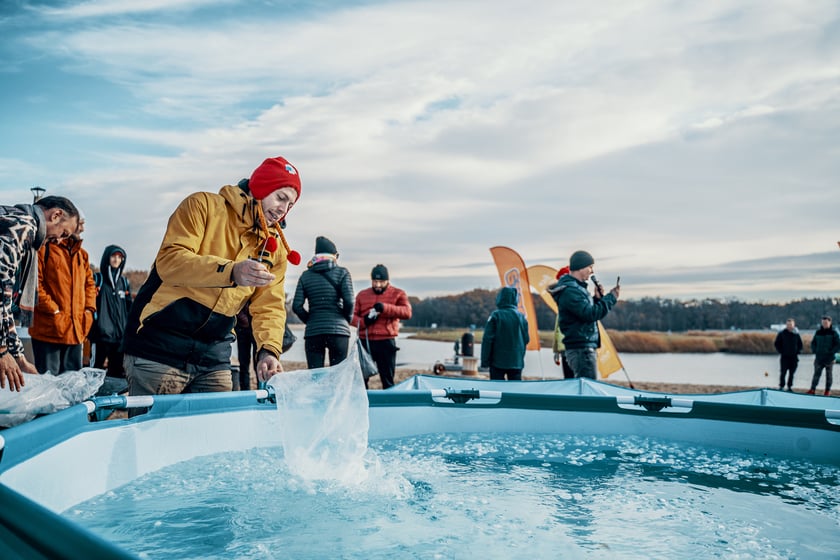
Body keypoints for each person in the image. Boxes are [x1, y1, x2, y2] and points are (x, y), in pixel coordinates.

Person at [122, 155, 302, 399]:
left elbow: (269, 305)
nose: (284, 209)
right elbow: (170, 261)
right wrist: (231, 271)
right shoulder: (203, 205)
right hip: (159, 346)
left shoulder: (274, 248)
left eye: (290, 205)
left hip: (214, 355)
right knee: (152, 432)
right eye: (281, 197)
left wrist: (268, 350)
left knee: (214, 431)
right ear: (260, 187)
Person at [0, 196, 80, 391]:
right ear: (56, 215)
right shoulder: (24, 226)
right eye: (64, 232)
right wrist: (2, 351)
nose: (60, 239)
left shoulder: (15, 218)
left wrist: (18, 356)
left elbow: (5, 303)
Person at [28, 209, 96, 375]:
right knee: (48, 386)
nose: (83, 229)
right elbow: (35, 285)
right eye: (80, 224)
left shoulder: (82, 255)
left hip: (76, 331)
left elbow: (90, 285)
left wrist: (88, 312)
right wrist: (55, 311)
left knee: (72, 388)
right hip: (48, 331)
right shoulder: (45, 249)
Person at [547, 250, 619, 379]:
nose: (592, 271)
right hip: (581, 348)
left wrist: (597, 299)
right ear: (581, 267)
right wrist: (611, 298)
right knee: (587, 390)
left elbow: (584, 313)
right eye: (590, 267)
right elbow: (590, 314)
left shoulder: (575, 290)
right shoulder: (571, 291)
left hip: (581, 347)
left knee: (581, 388)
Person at [292, 236, 354, 369]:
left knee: (315, 377)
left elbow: (296, 306)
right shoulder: (342, 273)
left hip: (314, 331)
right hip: (339, 332)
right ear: (335, 255)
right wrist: (346, 319)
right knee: (338, 376)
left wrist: (310, 320)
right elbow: (349, 301)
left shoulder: (305, 275)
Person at [352, 264, 412, 389]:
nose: (378, 285)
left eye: (381, 282)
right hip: (365, 342)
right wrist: (364, 321)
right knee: (361, 379)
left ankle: (389, 403)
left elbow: (407, 312)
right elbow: (351, 316)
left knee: (387, 378)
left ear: (387, 281)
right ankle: (362, 403)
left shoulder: (398, 294)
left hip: (386, 341)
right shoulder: (362, 295)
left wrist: (385, 308)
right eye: (375, 281)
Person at [90, 245, 132, 377]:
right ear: (107, 258)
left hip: (119, 337)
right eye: (113, 256)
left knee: (117, 372)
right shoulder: (98, 279)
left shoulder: (124, 282)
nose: (116, 259)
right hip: (101, 336)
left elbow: (129, 307)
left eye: (120, 257)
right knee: (94, 371)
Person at [480, 286, 529, 381]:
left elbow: (487, 340)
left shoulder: (495, 316)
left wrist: (485, 361)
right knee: (514, 392)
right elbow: (526, 339)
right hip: (516, 362)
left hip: (497, 362)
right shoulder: (522, 317)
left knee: (496, 391)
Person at [551, 265, 574, 379]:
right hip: (565, 349)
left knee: (572, 379)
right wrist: (556, 351)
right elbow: (557, 328)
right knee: (569, 379)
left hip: (572, 348)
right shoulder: (562, 300)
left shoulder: (572, 298)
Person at [807, 315, 840, 396]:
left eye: (826, 323)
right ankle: (812, 389)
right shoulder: (818, 332)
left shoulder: (834, 332)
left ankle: (827, 391)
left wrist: (832, 352)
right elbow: (813, 343)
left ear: (830, 322)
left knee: (829, 376)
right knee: (816, 375)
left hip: (829, 358)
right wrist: (814, 350)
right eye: (823, 323)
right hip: (819, 358)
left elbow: (838, 344)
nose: (824, 324)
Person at [774, 318, 802, 392]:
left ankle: (789, 387)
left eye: (791, 325)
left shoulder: (796, 334)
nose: (789, 326)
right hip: (784, 357)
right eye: (788, 325)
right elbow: (777, 343)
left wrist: (798, 351)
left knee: (792, 373)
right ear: (786, 325)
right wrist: (781, 351)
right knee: (783, 372)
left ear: (794, 325)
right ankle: (781, 386)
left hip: (794, 357)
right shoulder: (782, 333)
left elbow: (800, 344)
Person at [233, 303, 256, 390]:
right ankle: (245, 391)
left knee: (258, 363)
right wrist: (247, 321)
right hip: (242, 329)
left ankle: (262, 389)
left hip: (255, 329)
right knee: (243, 364)